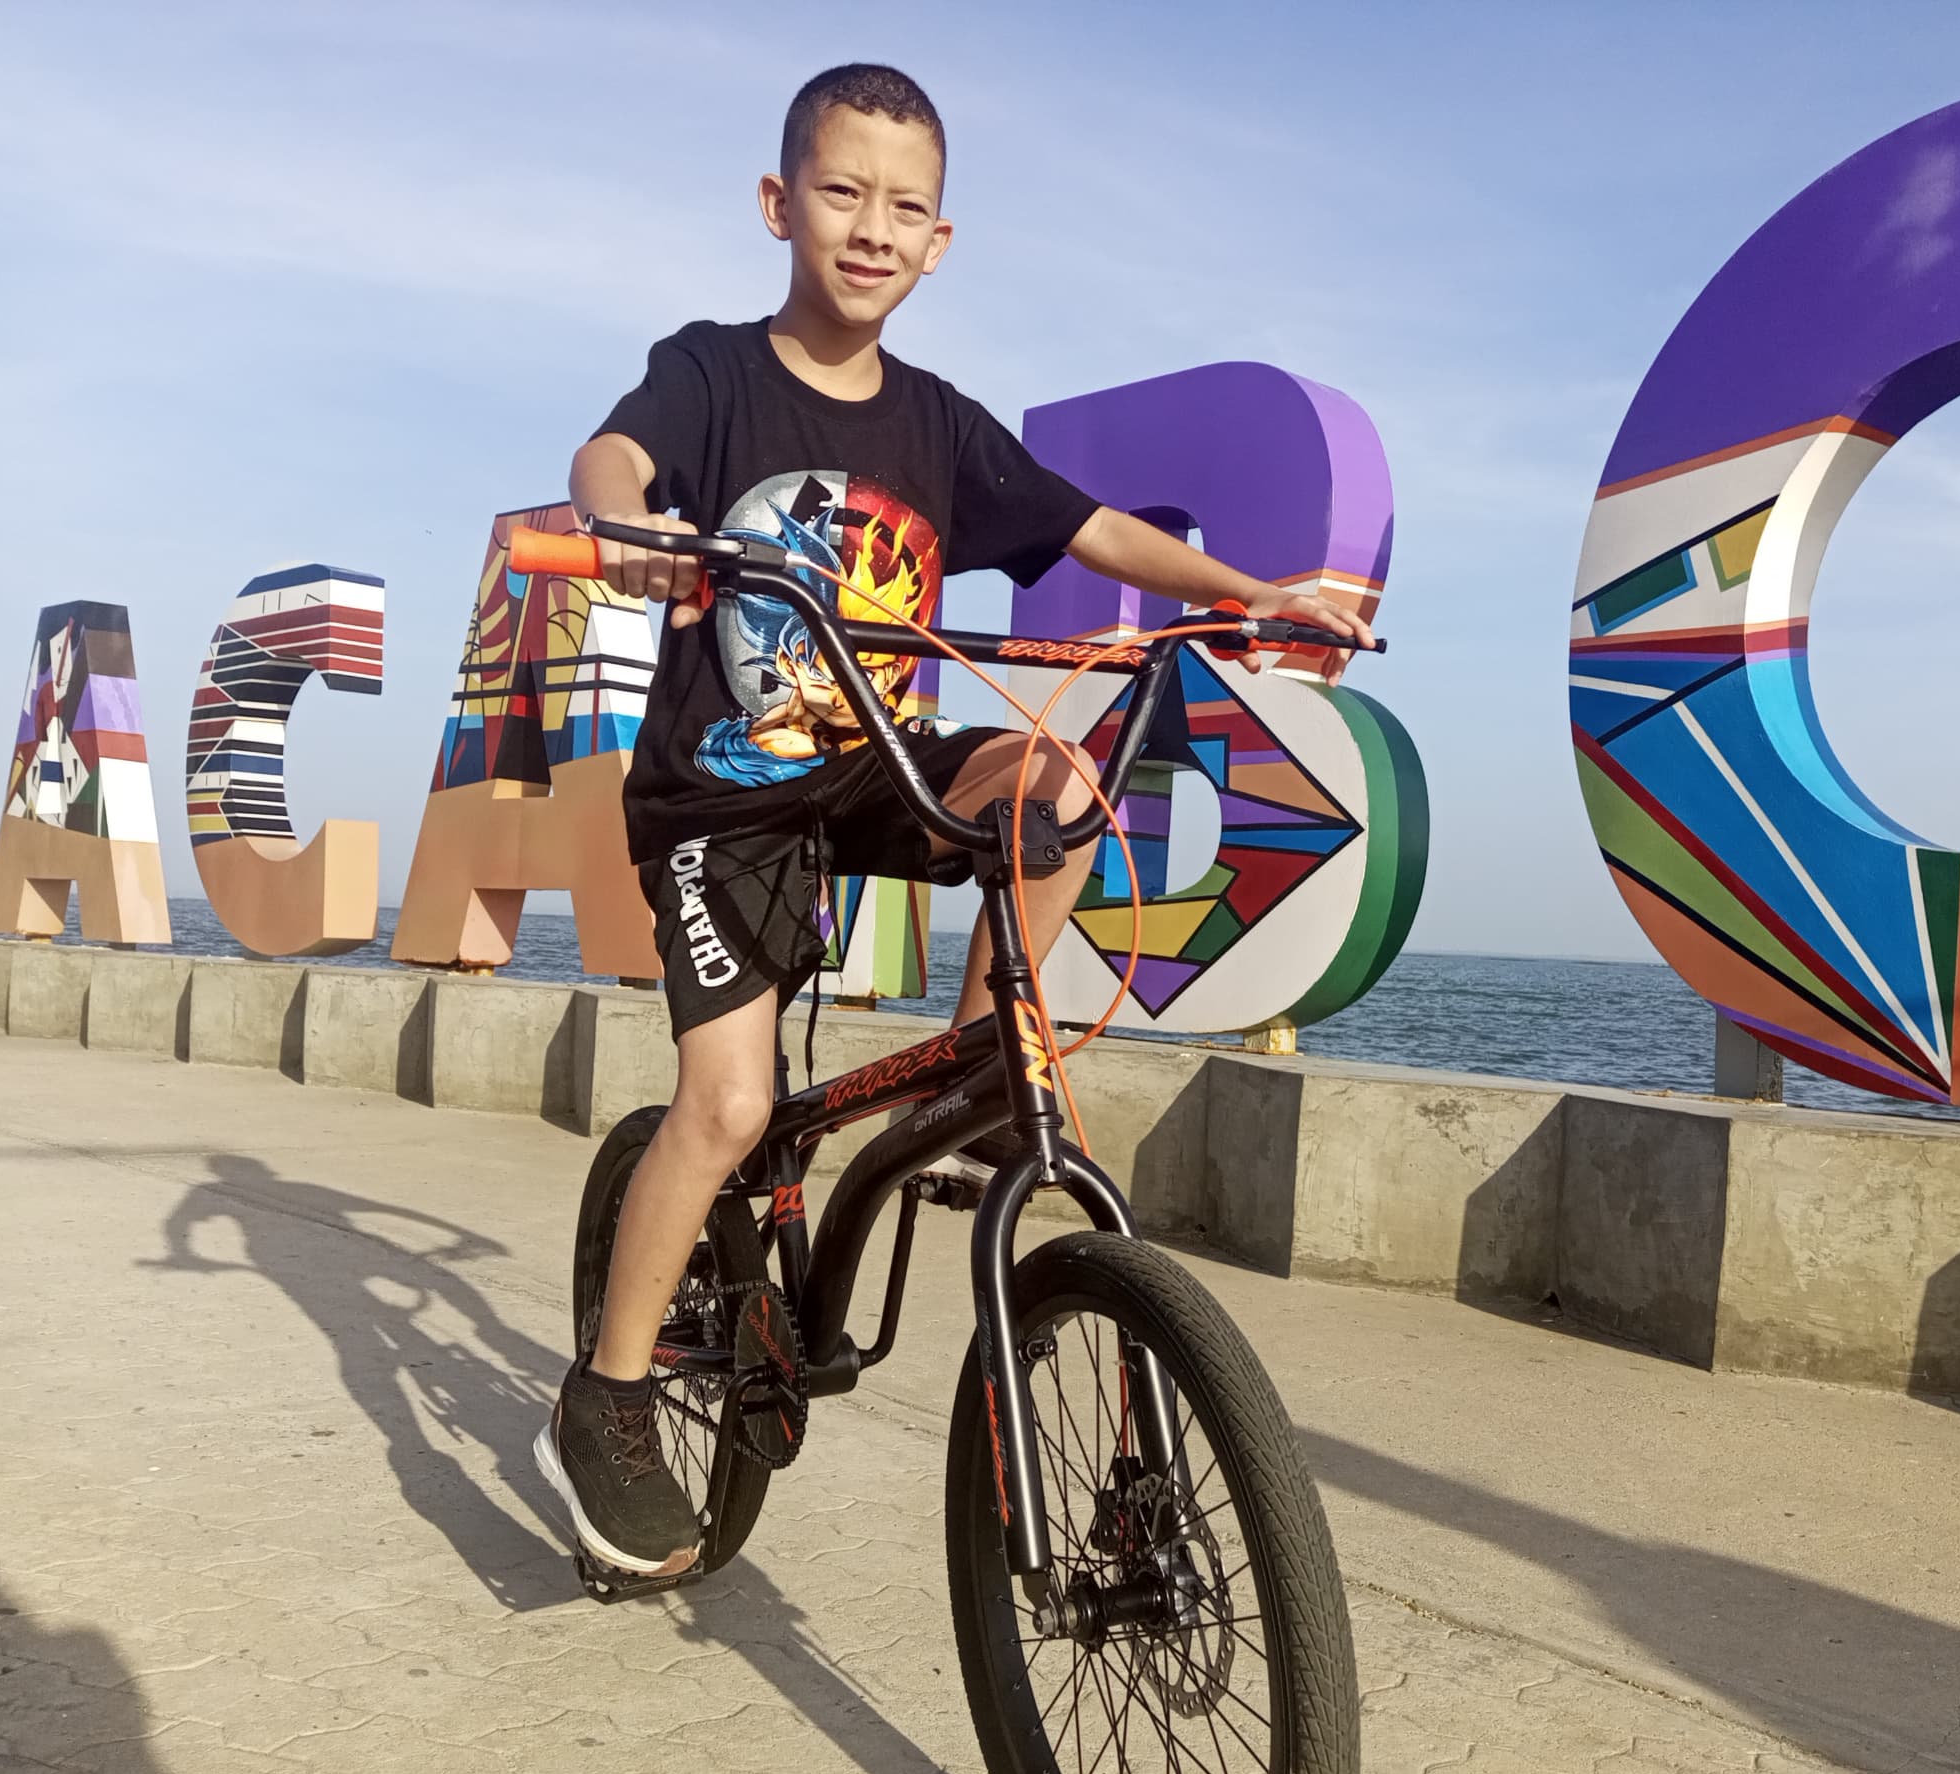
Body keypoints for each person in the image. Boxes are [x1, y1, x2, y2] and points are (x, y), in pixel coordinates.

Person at [536, 62, 1373, 1577]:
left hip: (874, 769)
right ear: (780, 205)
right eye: (842, 193)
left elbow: (1087, 527)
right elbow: (616, 457)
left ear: (940, 242)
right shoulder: (714, 374)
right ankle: (603, 1400)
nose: (871, 227)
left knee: (1052, 778)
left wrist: (1254, 595)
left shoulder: (939, 425)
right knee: (725, 1109)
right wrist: (633, 524)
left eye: (904, 206)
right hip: (722, 798)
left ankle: (995, 1070)